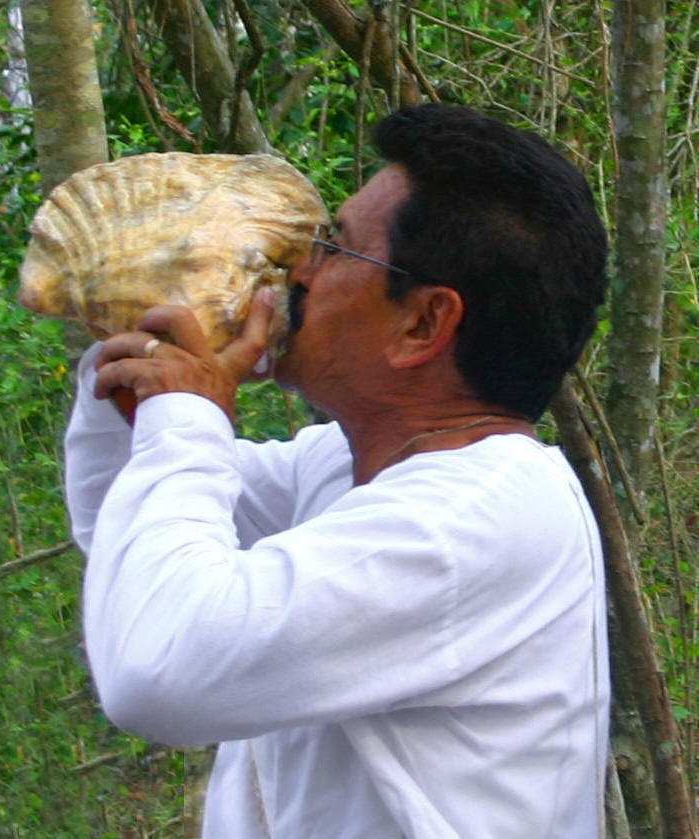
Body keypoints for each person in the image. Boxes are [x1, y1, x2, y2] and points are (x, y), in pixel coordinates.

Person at [65, 104, 610, 838]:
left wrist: (188, 411)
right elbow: (129, 535)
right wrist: (148, 366)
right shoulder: (352, 467)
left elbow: (154, 668)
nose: (297, 267)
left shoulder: (469, 519)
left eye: (334, 246)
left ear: (422, 324)